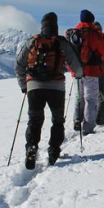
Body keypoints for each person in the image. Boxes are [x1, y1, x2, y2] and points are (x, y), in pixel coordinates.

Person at [15, 12, 83, 169]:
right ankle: (54, 151)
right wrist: (79, 75)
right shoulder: (62, 43)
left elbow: (19, 65)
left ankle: (31, 147)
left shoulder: (32, 42)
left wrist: (23, 85)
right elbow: (77, 67)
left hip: (34, 87)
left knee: (35, 119)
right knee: (57, 121)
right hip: (56, 87)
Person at [66, 10, 104, 136]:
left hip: (76, 73)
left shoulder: (73, 33)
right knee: (90, 99)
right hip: (91, 72)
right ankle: (88, 127)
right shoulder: (93, 34)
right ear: (92, 20)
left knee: (79, 98)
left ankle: (77, 119)